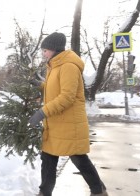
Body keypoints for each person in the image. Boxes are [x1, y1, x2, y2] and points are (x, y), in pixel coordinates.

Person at [28, 32, 108, 196]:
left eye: (45, 50)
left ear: (55, 49)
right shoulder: (54, 66)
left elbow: (67, 97)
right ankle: (45, 193)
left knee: (79, 160)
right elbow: (54, 90)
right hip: (56, 124)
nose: (43, 53)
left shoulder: (68, 66)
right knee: (48, 159)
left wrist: (43, 112)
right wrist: (40, 85)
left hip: (70, 125)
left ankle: (98, 191)